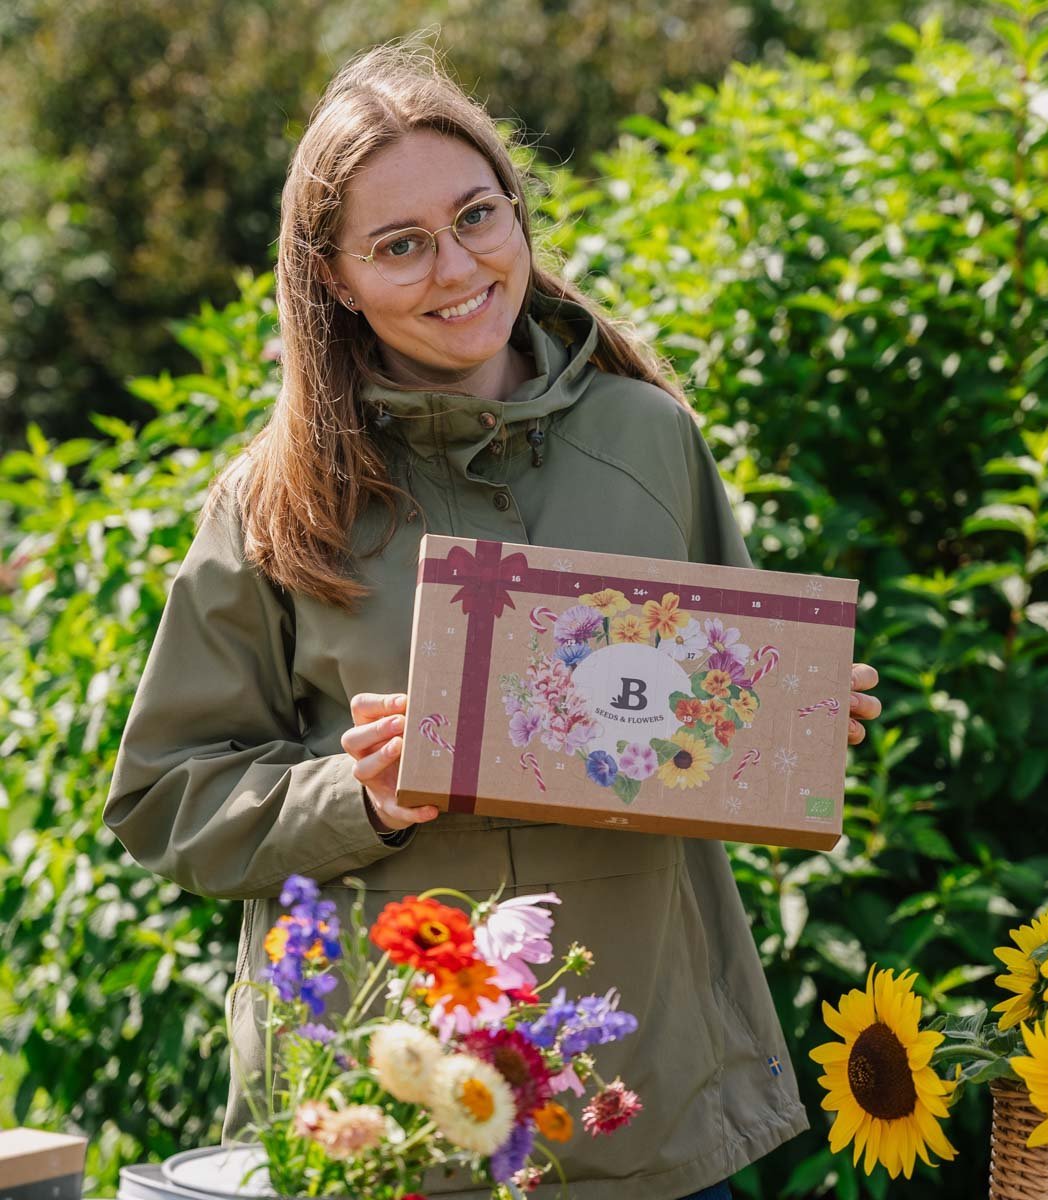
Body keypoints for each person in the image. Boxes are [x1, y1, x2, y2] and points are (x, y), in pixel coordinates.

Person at [103, 41, 882, 1200]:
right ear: (332, 276)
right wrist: (359, 797)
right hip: (385, 1120)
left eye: (478, 216)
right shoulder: (274, 502)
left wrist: (787, 727)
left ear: (518, 214)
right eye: (400, 245)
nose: (455, 266)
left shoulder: (651, 440)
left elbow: (706, 732)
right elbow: (166, 797)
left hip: (638, 1103)